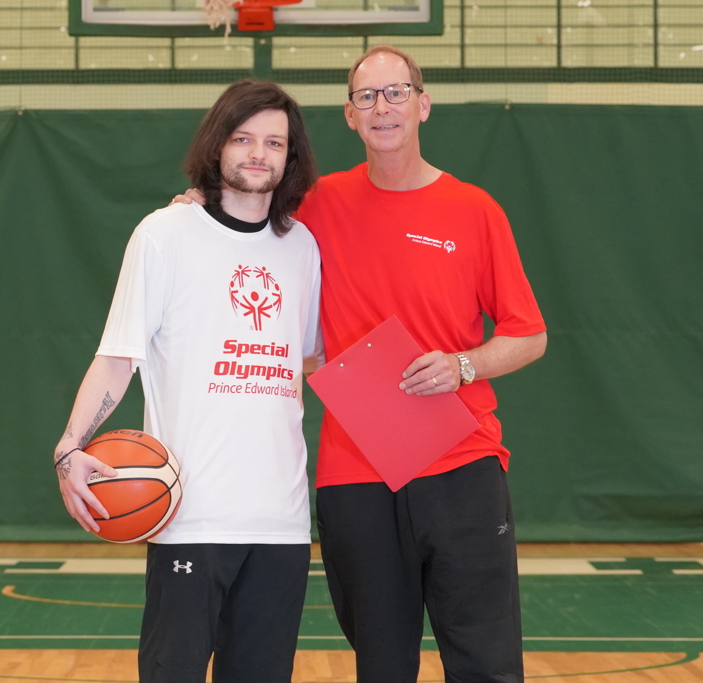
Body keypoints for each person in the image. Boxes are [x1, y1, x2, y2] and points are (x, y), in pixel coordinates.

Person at [175, 46, 546, 683]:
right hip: (355, 480)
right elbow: (242, 220)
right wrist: (197, 212)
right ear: (350, 115)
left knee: (487, 663)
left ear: (422, 104)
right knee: (381, 665)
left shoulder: (476, 211)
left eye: (396, 92)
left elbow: (529, 335)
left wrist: (461, 366)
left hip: (461, 464)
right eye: (367, 97)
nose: (383, 107)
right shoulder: (314, 209)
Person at [53, 80, 322, 683]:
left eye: (274, 142)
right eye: (243, 138)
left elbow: (304, 359)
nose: (258, 153)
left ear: (291, 156)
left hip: (281, 523)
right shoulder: (164, 235)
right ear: (217, 145)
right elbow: (118, 356)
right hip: (190, 516)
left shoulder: (302, 247)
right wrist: (70, 446)